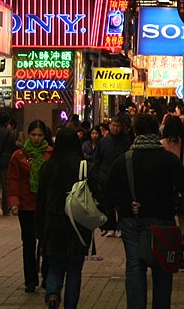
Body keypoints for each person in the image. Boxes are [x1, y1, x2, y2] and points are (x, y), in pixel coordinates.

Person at [106, 113, 184, 309]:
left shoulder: (124, 160)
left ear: (135, 132)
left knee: (134, 267)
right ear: (156, 131)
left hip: (132, 221)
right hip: (163, 221)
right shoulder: (168, 160)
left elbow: (110, 191)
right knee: (163, 269)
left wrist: (127, 205)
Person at [36, 128, 95, 309]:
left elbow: (41, 199)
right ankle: (70, 305)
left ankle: (53, 294)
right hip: (78, 223)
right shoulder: (85, 167)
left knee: (55, 266)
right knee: (74, 270)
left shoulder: (48, 167)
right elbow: (96, 194)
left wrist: (39, 228)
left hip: (53, 221)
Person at [8, 119, 53, 293]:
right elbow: (13, 180)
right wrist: (14, 202)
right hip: (26, 205)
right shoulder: (19, 156)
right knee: (28, 243)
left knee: (46, 242)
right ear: (28, 135)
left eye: (39, 135)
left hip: (45, 205)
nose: (36, 138)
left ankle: (47, 276)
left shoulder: (50, 154)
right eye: (33, 135)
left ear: (44, 136)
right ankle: (30, 279)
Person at [93, 115, 132, 237]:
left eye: (118, 126)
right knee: (107, 204)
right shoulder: (103, 142)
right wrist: (97, 175)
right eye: (113, 126)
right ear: (109, 126)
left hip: (122, 177)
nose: (115, 128)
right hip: (105, 177)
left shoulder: (126, 141)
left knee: (121, 204)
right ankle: (110, 227)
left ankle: (121, 227)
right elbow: (97, 160)